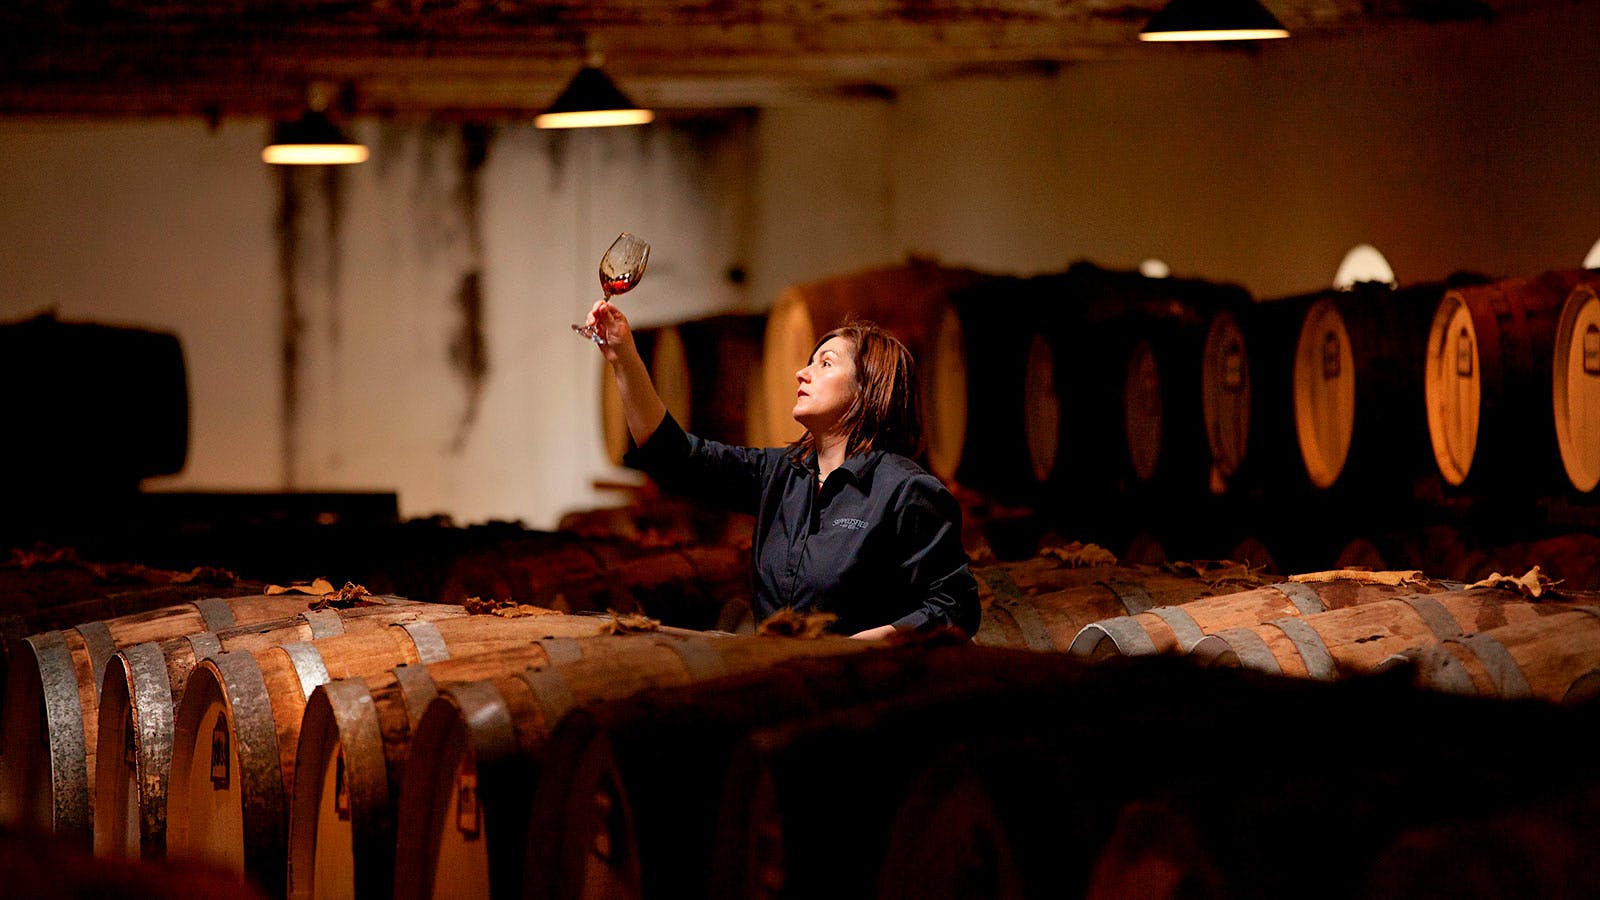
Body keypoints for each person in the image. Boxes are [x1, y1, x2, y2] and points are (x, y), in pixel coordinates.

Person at [585, 299, 980, 639]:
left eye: (825, 363)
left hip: (867, 693)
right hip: (788, 683)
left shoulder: (905, 490)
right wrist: (624, 356)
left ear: (868, 389)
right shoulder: (780, 473)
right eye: (810, 362)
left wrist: (863, 646)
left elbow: (955, 605)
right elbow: (672, 457)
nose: (801, 373)